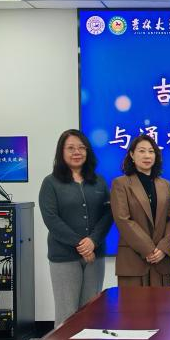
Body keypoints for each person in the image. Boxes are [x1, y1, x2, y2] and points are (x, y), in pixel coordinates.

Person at [39, 129, 113, 326]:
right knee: (67, 314)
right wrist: (82, 245)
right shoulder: (50, 182)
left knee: (92, 312)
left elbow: (108, 214)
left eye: (81, 148)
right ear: (61, 152)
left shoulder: (99, 181)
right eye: (70, 148)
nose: (77, 152)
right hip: (64, 256)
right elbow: (51, 219)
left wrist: (93, 242)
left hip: (95, 255)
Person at [110, 134, 170, 287]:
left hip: (161, 261)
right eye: (141, 151)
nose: (147, 155)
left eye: (151, 151)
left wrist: (164, 248)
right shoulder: (121, 184)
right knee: (133, 303)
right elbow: (123, 220)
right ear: (132, 155)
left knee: (163, 303)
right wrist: (148, 249)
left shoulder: (165, 185)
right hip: (133, 261)